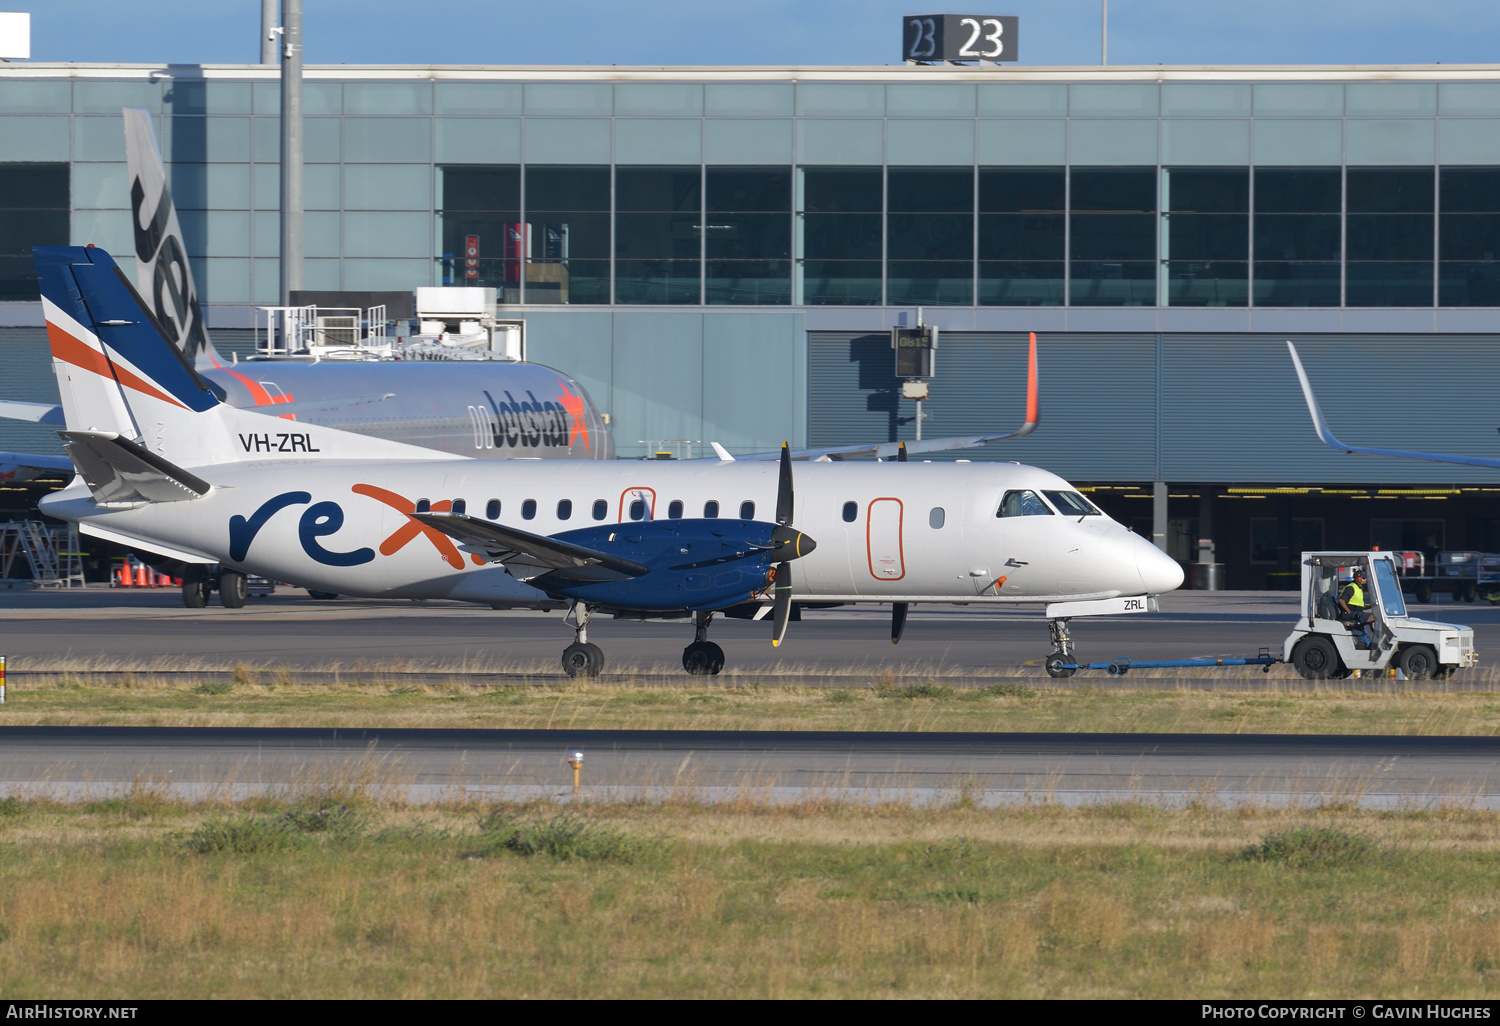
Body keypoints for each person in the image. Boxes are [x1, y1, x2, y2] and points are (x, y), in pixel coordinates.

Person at [1339, 568, 1376, 647]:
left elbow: (1359, 605)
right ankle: (1378, 638)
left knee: (1375, 618)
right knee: (1372, 618)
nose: (1365, 580)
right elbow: (1341, 600)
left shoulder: (1359, 588)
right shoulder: (1351, 588)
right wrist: (1348, 611)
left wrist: (1372, 606)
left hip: (1357, 612)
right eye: (1364, 578)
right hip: (1349, 614)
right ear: (1358, 578)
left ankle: (1367, 642)